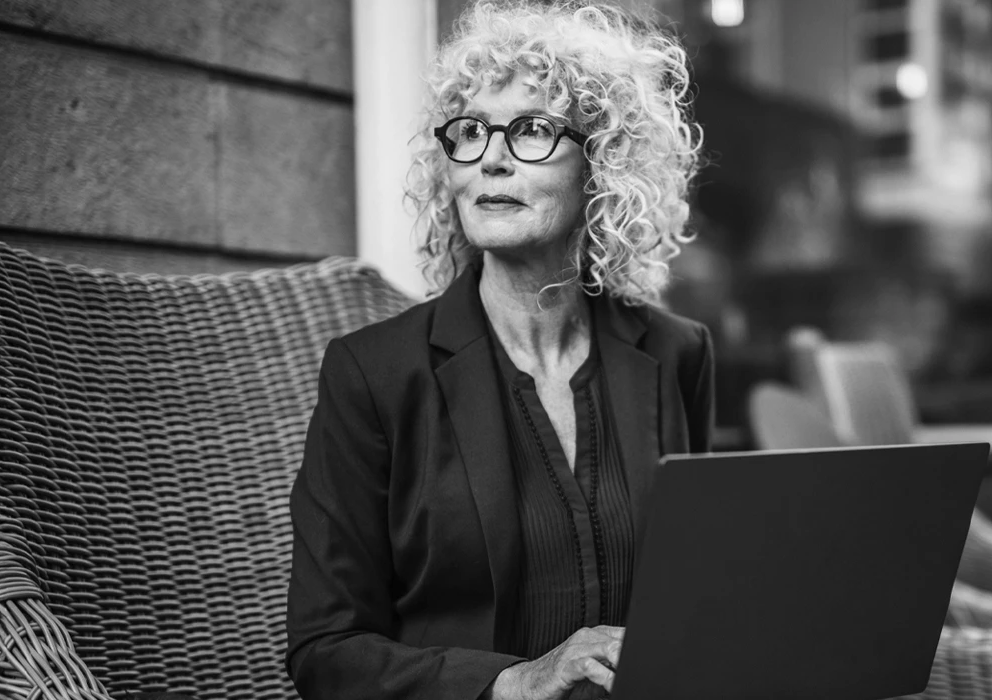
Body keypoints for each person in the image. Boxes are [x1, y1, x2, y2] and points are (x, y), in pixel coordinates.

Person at [285, 2, 711, 698]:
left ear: (601, 166)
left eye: (534, 131)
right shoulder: (372, 374)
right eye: (471, 133)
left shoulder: (677, 352)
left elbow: (699, 584)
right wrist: (516, 681)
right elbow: (325, 651)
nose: (490, 158)